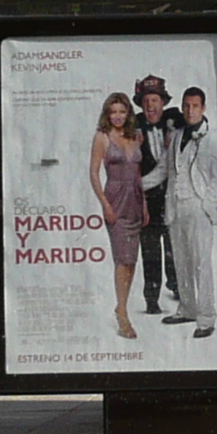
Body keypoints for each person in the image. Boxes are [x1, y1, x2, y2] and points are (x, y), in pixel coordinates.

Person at [164, 87, 217, 341]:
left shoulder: (212, 138)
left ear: (203, 108)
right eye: (186, 106)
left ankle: (206, 318)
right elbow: (166, 170)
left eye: (194, 106)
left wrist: (206, 204)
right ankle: (187, 308)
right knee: (181, 261)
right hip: (177, 206)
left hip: (197, 206)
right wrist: (137, 183)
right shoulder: (178, 135)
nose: (190, 110)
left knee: (201, 263)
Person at [91, 92, 147, 340]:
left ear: (128, 114)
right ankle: (122, 312)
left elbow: (137, 174)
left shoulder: (135, 137)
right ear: (107, 113)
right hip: (115, 199)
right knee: (121, 259)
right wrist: (104, 204)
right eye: (113, 112)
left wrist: (144, 205)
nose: (117, 116)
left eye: (121, 112)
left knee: (132, 259)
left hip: (135, 199)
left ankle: (122, 304)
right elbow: (93, 174)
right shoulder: (102, 138)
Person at [132, 75, 179, 324]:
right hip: (147, 201)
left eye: (155, 100)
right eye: (147, 101)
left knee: (176, 249)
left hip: (173, 200)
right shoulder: (133, 127)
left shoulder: (176, 121)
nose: (151, 105)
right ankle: (151, 298)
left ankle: (178, 287)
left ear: (163, 102)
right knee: (150, 253)